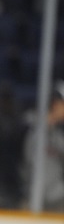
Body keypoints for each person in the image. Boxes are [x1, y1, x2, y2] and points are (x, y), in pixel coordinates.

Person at [20, 80, 64, 212]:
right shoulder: (28, 126)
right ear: (55, 104)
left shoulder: (58, 134)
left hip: (57, 201)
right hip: (30, 198)